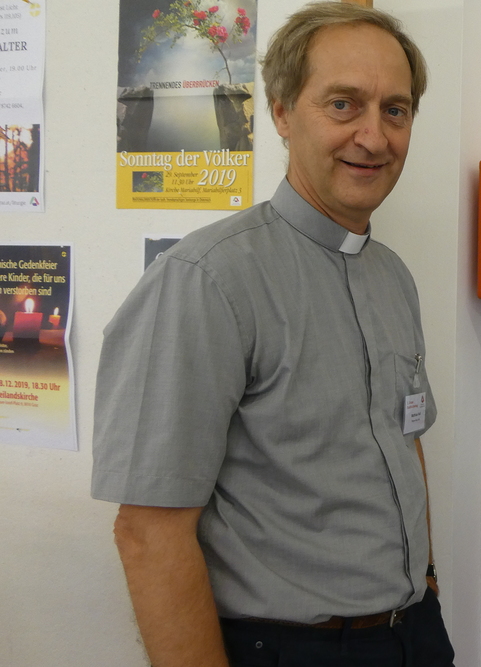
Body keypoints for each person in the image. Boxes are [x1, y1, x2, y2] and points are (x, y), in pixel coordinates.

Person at [91, 4, 454, 666]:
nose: (374, 136)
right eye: (343, 104)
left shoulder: (392, 276)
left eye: (395, 111)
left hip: (411, 633)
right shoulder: (208, 279)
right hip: (291, 647)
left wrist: (425, 578)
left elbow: (406, 438)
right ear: (282, 112)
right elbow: (146, 530)